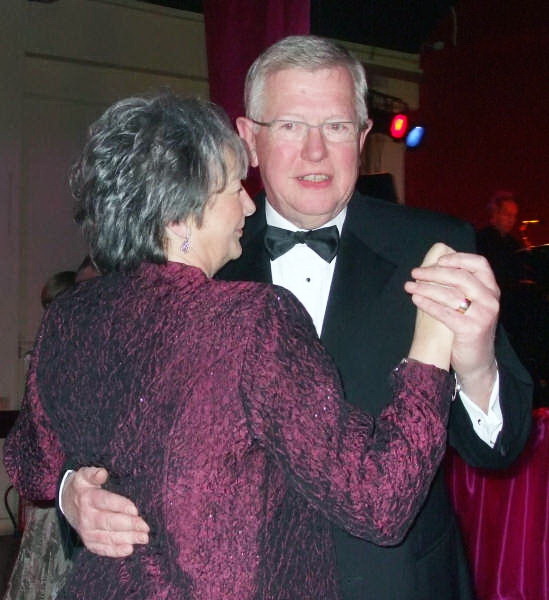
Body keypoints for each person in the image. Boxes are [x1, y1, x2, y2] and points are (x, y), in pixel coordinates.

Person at [58, 38, 533, 599]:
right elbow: (107, 430)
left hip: (397, 583)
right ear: (249, 138)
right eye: (288, 126)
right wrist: (74, 497)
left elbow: (500, 449)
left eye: (335, 127)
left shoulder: (437, 245)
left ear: (362, 140)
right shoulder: (191, 269)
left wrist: (477, 366)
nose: (314, 152)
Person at [4, 92, 458, 599]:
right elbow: (378, 502)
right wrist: (433, 344)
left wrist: (70, 492)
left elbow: (29, 463)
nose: (248, 202)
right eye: (231, 187)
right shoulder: (252, 321)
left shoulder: (69, 315)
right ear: (178, 215)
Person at [476, 190, 524, 290]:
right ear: (494, 214)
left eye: (514, 216)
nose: (511, 220)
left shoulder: (514, 244)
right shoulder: (482, 238)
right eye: (507, 215)